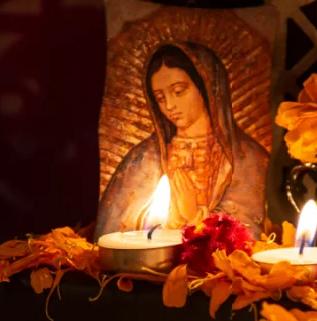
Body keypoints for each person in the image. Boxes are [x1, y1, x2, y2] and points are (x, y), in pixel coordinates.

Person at [95, 42, 268, 237]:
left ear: (207, 87)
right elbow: (115, 233)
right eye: (160, 98)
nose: (169, 105)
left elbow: (251, 235)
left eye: (178, 92)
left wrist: (194, 215)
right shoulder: (142, 159)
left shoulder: (249, 158)